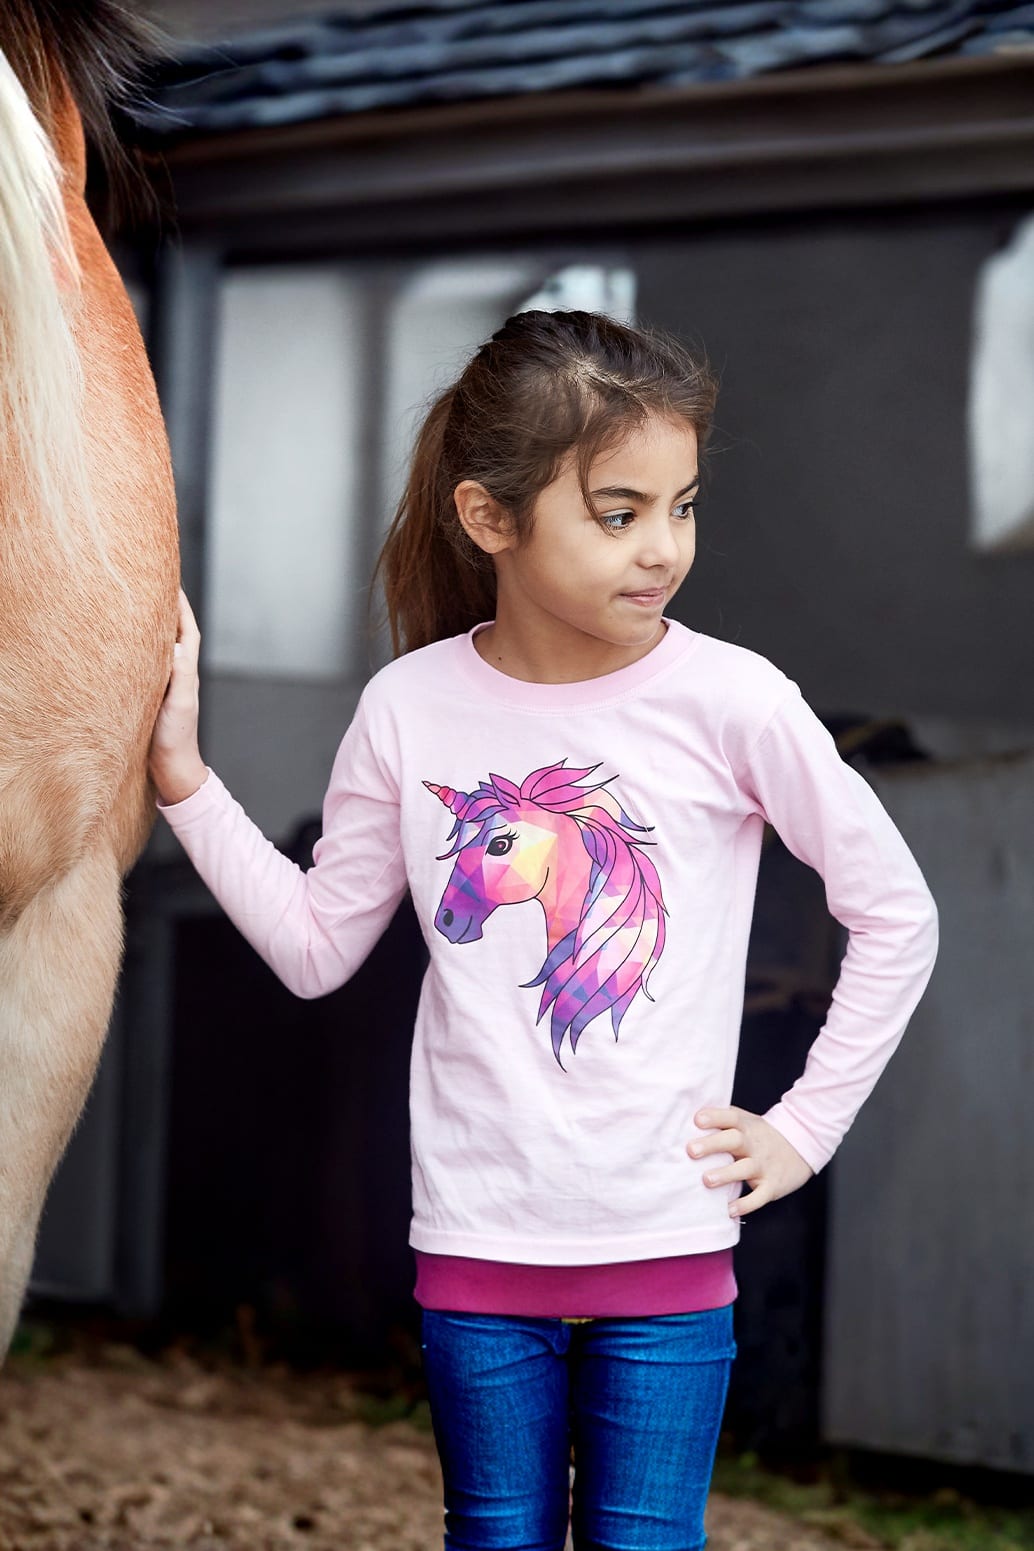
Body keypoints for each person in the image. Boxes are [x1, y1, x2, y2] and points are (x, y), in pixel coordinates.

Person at [149, 309, 938, 1551]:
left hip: (666, 1241)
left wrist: (802, 1128)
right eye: (618, 514)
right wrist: (184, 781)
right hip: (477, 1239)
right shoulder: (407, 709)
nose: (662, 548)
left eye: (681, 507)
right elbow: (312, 949)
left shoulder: (733, 701)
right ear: (488, 518)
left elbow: (895, 912)